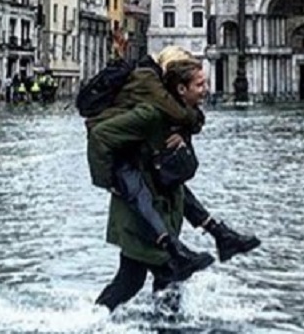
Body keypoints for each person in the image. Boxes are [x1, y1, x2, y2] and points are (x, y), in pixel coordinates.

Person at [88, 53, 260, 311]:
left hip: (163, 207)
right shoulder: (150, 114)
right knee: (149, 277)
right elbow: (100, 136)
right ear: (181, 89)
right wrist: (107, 181)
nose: (206, 90)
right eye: (199, 85)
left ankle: (98, 319)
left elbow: (182, 163)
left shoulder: (179, 119)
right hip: (140, 211)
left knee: (141, 279)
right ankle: (94, 322)